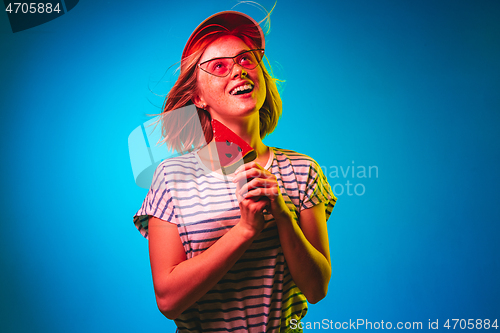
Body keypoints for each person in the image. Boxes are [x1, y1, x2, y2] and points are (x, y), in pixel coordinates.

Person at [133, 10, 336, 333]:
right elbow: (168, 301)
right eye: (219, 66)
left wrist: (283, 215)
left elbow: (316, 289)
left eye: (246, 60)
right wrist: (244, 230)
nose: (238, 71)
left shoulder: (303, 170)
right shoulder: (171, 178)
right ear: (198, 97)